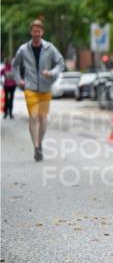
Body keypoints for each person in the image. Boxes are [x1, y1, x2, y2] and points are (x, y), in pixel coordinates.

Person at [11, 20, 64, 160]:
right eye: (34, 31)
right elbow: (14, 65)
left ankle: (40, 143)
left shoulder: (50, 48)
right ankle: (35, 147)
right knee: (34, 116)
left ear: (42, 32)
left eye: (39, 31)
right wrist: (19, 80)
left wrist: (52, 73)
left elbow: (61, 63)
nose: (36, 34)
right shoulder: (23, 49)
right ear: (31, 32)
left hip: (45, 88)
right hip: (30, 88)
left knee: (43, 118)